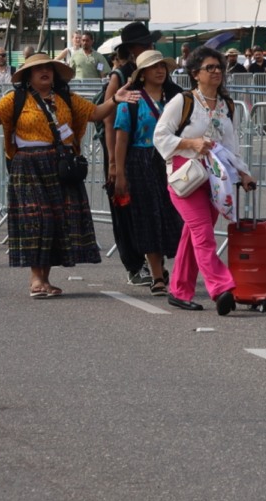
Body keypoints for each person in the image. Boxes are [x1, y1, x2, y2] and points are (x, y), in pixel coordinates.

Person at [0, 53, 134, 297]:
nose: (45, 72)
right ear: (28, 76)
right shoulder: (15, 99)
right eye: (38, 69)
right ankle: (35, 278)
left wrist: (115, 99)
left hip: (60, 165)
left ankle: (45, 279)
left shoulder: (66, 98)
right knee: (37, 219)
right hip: (27, 166)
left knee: (55, 220)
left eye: (48, 68)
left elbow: (95, 113)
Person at [153, 47, 257, 314]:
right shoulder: (183, 101)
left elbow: (231, 145)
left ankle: (179, 291)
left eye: (219, 67)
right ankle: (221, 287)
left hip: (215, 180)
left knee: (193, 236)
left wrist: (243, 173)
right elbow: (160, 136)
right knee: (203, 234)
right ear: (195, 73)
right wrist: (191, 143)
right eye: (209, 68)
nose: (216, 71)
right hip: (186, 176)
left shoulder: (226, 105)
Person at [111, 50, 184, 295]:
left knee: (173, 216)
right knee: (148, 218)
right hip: (140, 163)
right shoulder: (131, 101)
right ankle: (157, 276)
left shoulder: (175, 99)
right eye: (153, 67)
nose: (160, 70)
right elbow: (121, 139)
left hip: (171, 161)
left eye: (162, 66)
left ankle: (166, 266)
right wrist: (119, 173)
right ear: (142, 74)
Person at [97, 20, 163, 287]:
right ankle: (134, 266)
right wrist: (114, 163)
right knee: (125, 209)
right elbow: (108, 118)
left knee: (154, 208)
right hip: (120, 149)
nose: (151, 46)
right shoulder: (120, 75)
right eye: (146, 43)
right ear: (134, 48)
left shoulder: (155, 71)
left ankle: (156, 264)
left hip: (151, 153)